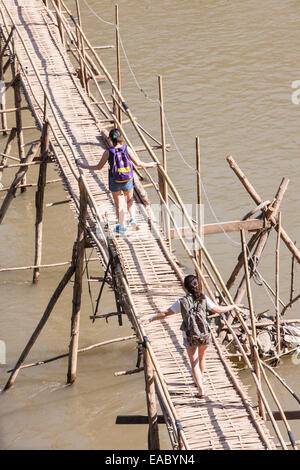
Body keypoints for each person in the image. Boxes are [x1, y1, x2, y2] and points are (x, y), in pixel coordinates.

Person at [140, 275, 243, 398]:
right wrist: (233, 306)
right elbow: (218, 309)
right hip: (205, 333)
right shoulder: (204, 299)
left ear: (185, 287)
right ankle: (201, 379)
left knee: (193, 363)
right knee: (201, 357)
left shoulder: (181, 302)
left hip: (190, 335)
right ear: (197, 285)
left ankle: (200, 390)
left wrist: (150, 319)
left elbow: (165, 313)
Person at [77, 128, 157, 232]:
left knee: (118, 204)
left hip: (115, 180)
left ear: (110, 139)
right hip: (127, 179)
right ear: (121, 138)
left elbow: (98, 167)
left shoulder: (108, 152)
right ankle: (133, 219)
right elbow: (138, 164)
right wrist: (151, 164)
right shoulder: (126, 149)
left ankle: (122, 226)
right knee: (130, 200)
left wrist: (84, 166)